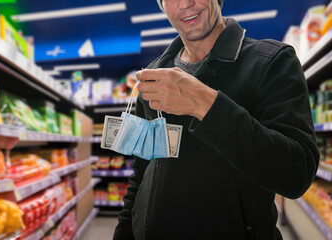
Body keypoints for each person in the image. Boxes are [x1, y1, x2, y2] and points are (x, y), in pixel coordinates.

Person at [113, 0, 319, 239]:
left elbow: (297, 175)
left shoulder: (272, 62)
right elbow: (141, 170)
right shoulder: (154, 79)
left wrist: (205, 103)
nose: (185, 3)